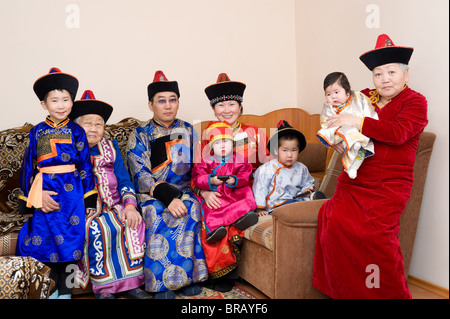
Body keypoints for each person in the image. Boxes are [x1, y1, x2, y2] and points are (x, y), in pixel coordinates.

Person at [312, 34, 428, 299]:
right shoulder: (362, 98)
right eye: (378, 74)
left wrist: (357, 122)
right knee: (332, 223)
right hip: (354, 182)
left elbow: (398, 132)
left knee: (376, 240)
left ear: (406, 76)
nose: (385, 79)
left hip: (389, 186)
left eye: (391, 72)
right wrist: (338, 140)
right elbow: (336, 117)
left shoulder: (415, 102)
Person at [16, 68, 98, 299]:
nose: (61, 105)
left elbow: (85, 166)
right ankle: (51, 291)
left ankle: (67, 292)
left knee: (72, 246)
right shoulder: (37, 132)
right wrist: (31, 199)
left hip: (71, 196)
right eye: (54, 100)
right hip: (45, 191)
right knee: (46, 244)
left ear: (72, 102)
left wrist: (89, 199)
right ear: (44, 104)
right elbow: (29, 168)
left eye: (66, 100)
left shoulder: (77, 131)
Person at [126, 70, 208, 299]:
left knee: (192, 207)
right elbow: (139, 173)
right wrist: (166, 197)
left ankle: (187, 279)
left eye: (173, 100)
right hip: (151, 193)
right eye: (161, 101)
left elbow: (199, 165)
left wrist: (199, 188)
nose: (168, 105)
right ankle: (160, 285)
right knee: (156, 211)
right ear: (151, 105)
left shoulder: (189, 130)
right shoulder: (140, 134)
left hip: (184, 190)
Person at [192, 73, 272, 292]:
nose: (226, 110)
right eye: (221, 106)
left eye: (231, 104)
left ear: (240, 105)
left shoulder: (254, 133)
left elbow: (271, 167)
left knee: (239, 205)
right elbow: (197, 171)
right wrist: (204, 191)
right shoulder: (207, 136)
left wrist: (264, 199)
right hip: (216, 191)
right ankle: (219, 272)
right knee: (210, 214)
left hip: (247, 190)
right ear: (213, 109)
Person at [69, 90, 150, 299]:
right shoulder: (68, 150)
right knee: (98, 227)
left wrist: (130, 205)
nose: (94, 128)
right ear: (77, 126)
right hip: (84, 209)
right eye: (88, 123)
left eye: (99, 124)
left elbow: (123, 180)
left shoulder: (111, 147)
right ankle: (104, 289)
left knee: (131, 222)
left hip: (114, 205)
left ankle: (131, 285)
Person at [191, 121, 258, 244]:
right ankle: (214, 230)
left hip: (233, 191)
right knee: (209, 206)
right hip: (217, 193)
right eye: (217, 143)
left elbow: (246, 173)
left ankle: (243, 218)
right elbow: (197, 176)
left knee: (246, 193)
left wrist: (235, 179)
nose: (222, 146)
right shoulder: (207, 160)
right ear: (211, 146)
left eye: (225, 142)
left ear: (232, 144)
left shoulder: (238, 159)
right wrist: (210, 180)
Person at [317, 72, 378, 179]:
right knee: (340, 131)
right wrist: (332, 138)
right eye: (328, 94)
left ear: (347, 92)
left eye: (336, 92)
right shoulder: (329, 107)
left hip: (359, 129)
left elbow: (369, 113)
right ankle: (352, 151)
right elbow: (325, 122)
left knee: (360, 142)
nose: (333, 97)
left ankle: (353, 166)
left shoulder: (359, 98)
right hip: (341, 134)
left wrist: (359, 122)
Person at [253, 120, 316, 216]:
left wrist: (307, 189)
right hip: (277, 202)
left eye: (294, 150)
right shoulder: (267, 169)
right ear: (276, 150)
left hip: (297, 199)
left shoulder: (301, 168)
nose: (290, 155)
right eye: (285, 150)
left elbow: (307, 182)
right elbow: (260, 188)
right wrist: (259, 208)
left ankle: (317, 203)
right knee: (294, 208)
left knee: (307, 204)